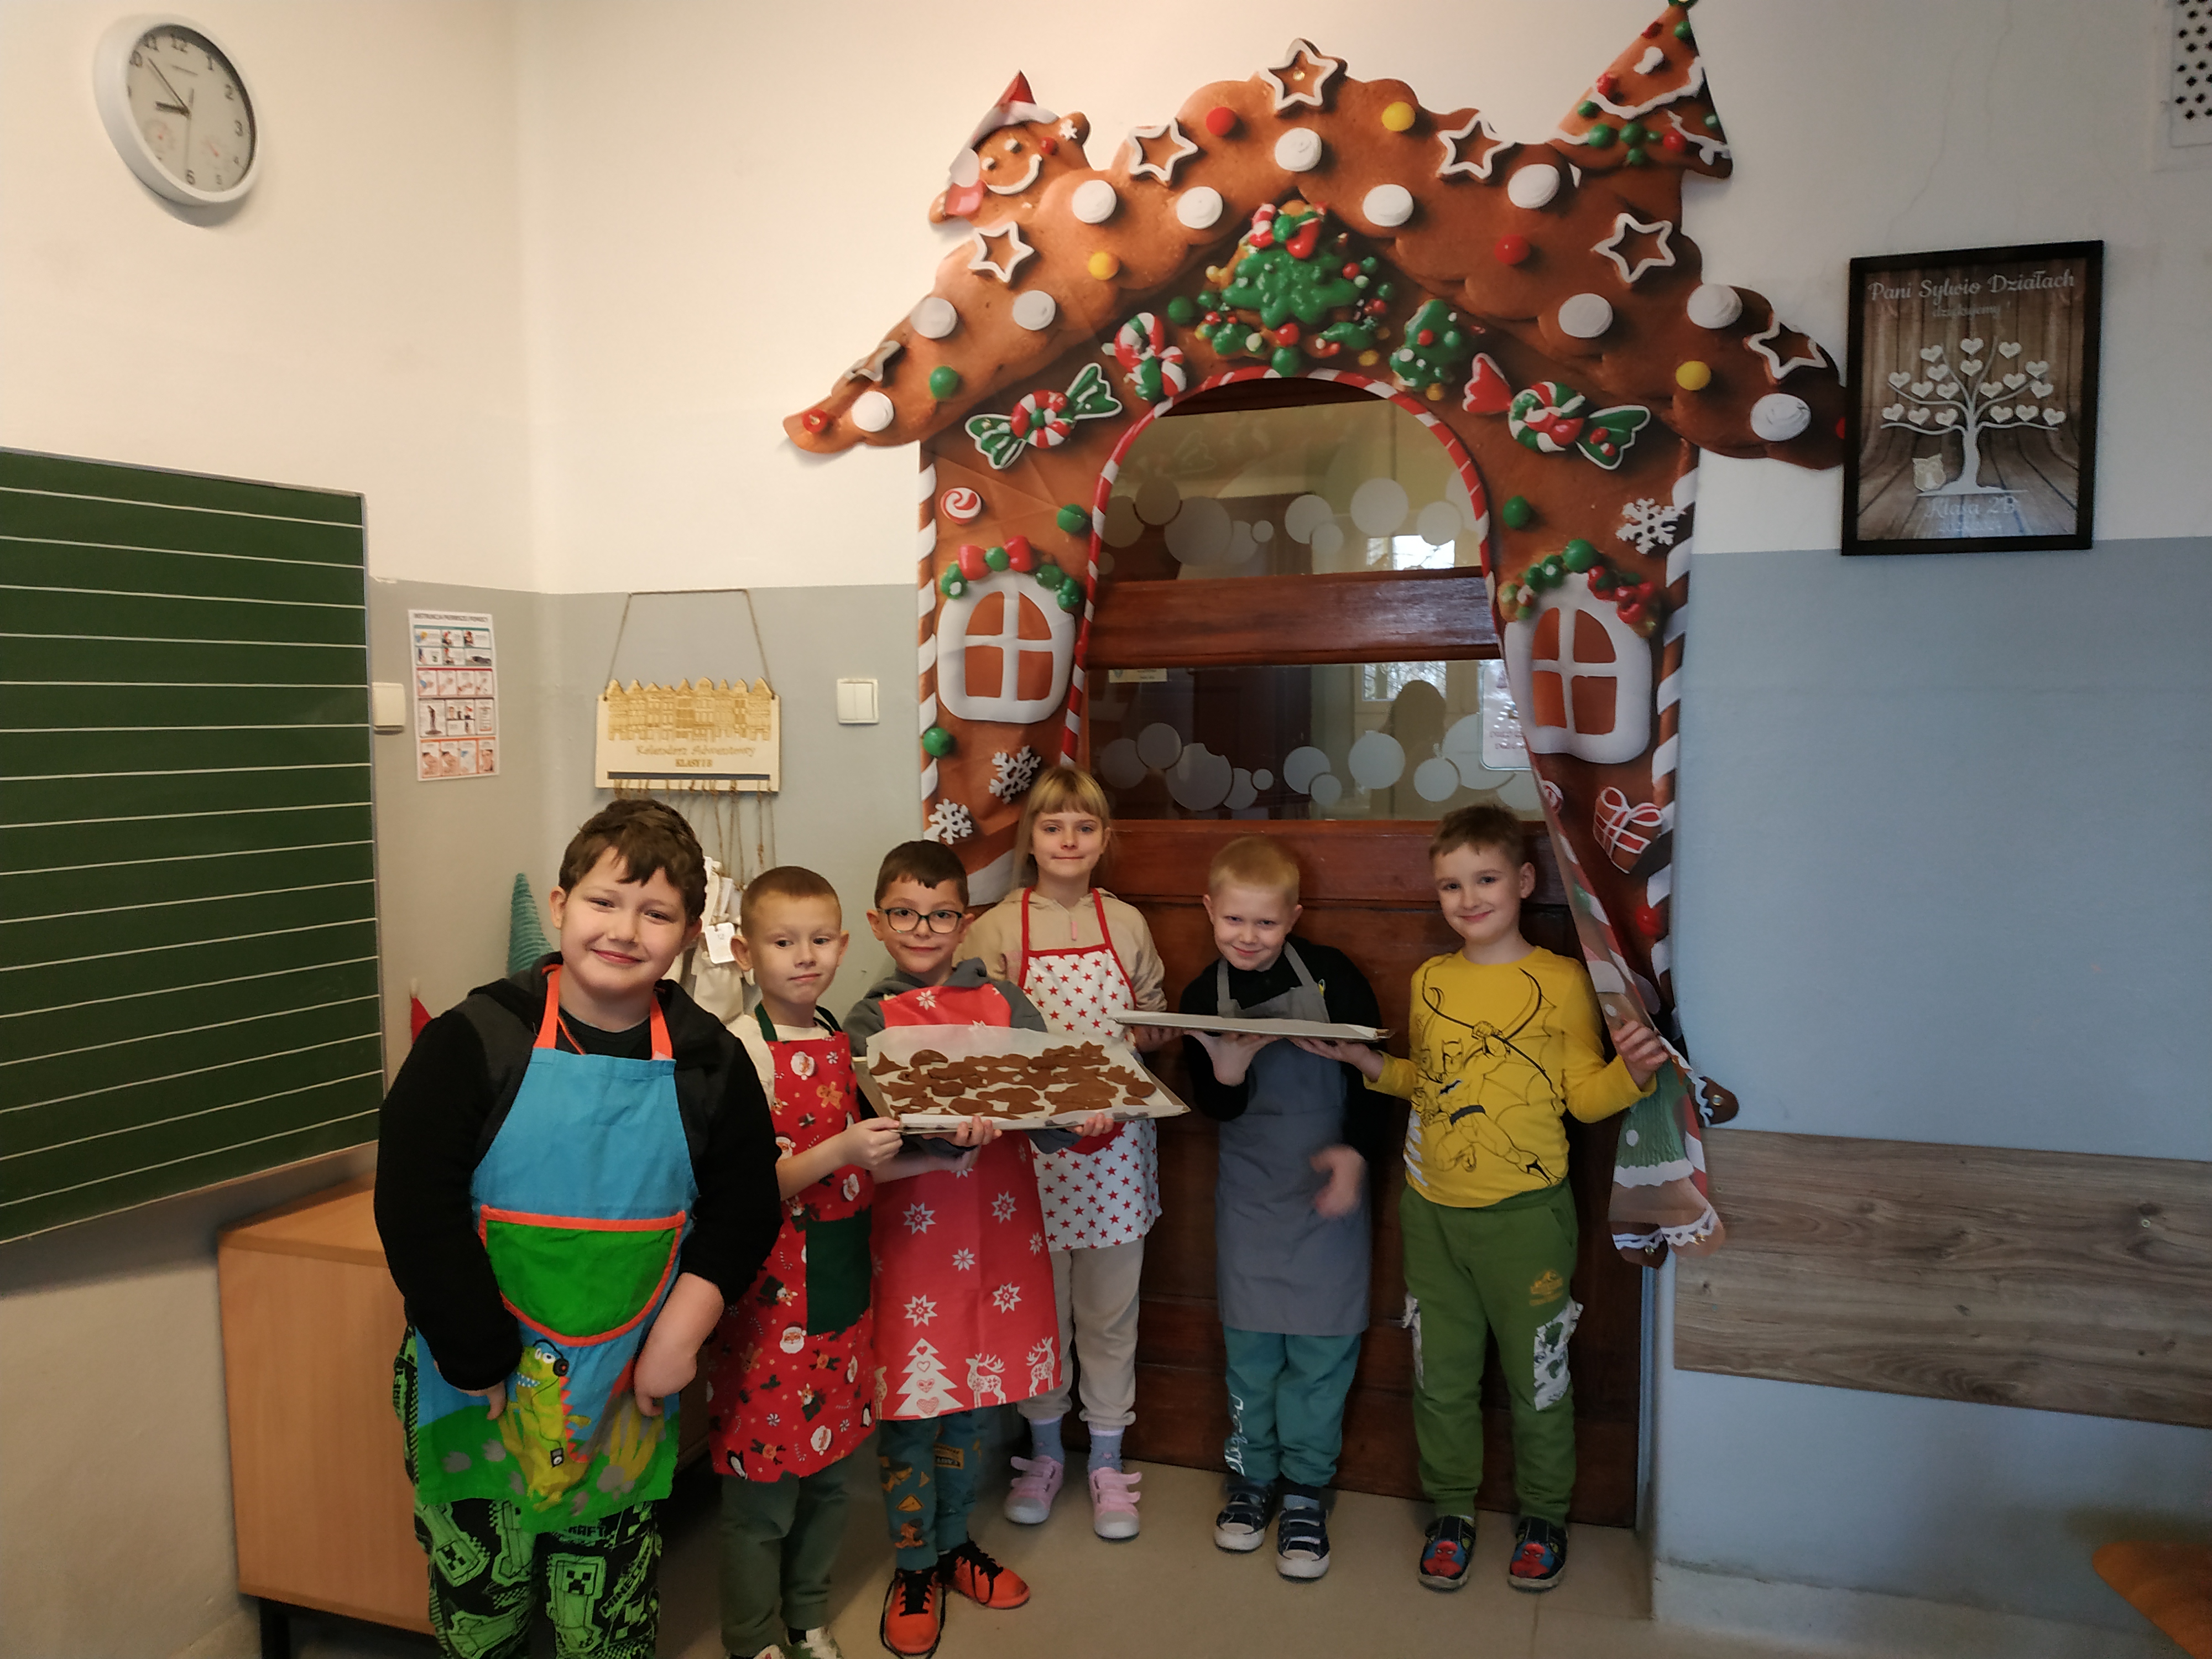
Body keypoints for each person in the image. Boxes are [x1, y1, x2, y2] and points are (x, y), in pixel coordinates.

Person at [376, 800, 782, 1658]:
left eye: (656, 914)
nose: (624, 931)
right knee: (482, 1605)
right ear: (562, 906)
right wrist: (476, 1350)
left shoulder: (710, 1061)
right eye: (604, 902)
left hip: (625, 1383)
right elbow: (415, 1204)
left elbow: (745, 1208)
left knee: (606, 1611)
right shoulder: (474, 1040)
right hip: (476, 1382)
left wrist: (681, 1334)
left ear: (688, 934)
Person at [1296, 805, 1668, 1594]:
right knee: (1441, 1379)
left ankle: (1544, 1515)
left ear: (1525, 881)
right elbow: (1431, 1086)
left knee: (1540, 1379)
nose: (1468, 899)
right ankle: (1452, 1511)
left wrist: (1633, 1074)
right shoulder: (1430, 980)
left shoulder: (1561, 981)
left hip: (1528, 1221)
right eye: (1451, 885)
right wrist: (1369, 1065)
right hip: (1431, 1215)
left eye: (1486, 879)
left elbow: (1584, 1100)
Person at [843, 840, 1110, 1658]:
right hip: (910, 1243)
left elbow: (1048, 1106)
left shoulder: (1005, 1001)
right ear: (877, 922)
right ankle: (914, 1565)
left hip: (998, 1237)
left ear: (967, 922)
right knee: (911, 1408)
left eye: (942, 914)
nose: (923, 928)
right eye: (905, 913)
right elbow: (869, 1137)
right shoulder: (865, 1022)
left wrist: (1087, 1118)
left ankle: (956, 1542)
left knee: (973, 1400)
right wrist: (943, 1138)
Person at [963, 765, 1172, 1542]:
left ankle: (1108, 1460)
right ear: (1031, 840)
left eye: (1084, 827)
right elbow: (978, 1034)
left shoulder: (1128, 923)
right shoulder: (997, 928)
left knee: (1111, 1315)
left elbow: (1154, 1018)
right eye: (1053, 827)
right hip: (1032, 1157)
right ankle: (1046, 1452)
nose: (1069, 840)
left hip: (1115, 1153)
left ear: (1104, 839)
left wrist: (1146, 1038)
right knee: (1041, 1314)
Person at [705, 866, 903, 1659]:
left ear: (843, 946)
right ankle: (752, 1636)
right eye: (784, 942)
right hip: (769, 1300)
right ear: (745, 952)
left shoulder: (837, 1035)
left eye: (820, 940)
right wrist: (844, 1149)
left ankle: (807, 1616)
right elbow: (744, 1189)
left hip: (843, 1287)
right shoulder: (740, 1050)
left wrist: (939, 1148)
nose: (805, 957)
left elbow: (868, 1159)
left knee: (830, 1477)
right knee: (762, 1492)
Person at [1176, 837, 1386, 1582]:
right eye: (1234, 920)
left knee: (1322, 1359)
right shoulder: (1201, 995)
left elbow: (1374, 1079)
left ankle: (1305, 1491)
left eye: (1266, 923)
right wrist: (1229, 1073)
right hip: (1252, 1199)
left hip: (1331, 1196)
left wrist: (1356, 1156)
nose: (1249, 937)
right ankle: (1251, 1480)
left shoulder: (1334, 977)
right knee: (1253, 1356)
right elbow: (1213, 1105)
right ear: (1209, 910)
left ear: (1294, 918)